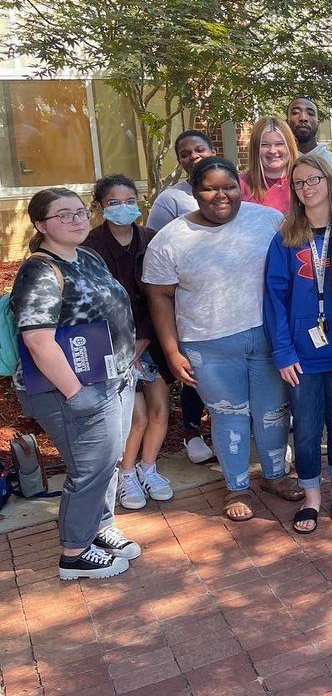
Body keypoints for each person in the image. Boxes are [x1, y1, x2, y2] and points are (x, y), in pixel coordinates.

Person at [144, 156, 300, 522]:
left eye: (228, 186)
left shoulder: (267, 220)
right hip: (208, 345)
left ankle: (275, 475)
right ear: (194, 191)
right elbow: (159, 297)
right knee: (228, 415)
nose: (221, 195)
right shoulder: (171, 239)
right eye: (209, 188)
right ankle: (237, 485)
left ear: (239, 187)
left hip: (267, 338)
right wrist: (171, 350)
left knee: (273, 412)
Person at [11, 188, 139, 580]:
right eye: (63, 215)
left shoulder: (87, 256)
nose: (76, 220)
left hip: (111, 377)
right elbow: (37, 340)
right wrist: (75, 392)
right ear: (40, 225)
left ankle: (99, 527)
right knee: (90, 468)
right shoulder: (39, 270)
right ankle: (75, 552)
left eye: (80, 212)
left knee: (106, 463)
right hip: (71, 389)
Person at [263, 155, 332, 533]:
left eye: (313, 179)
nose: (307, 188)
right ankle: (311, 496)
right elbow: (275, 299)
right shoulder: (285, 239)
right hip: (301, 353)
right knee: (305, 427)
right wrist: (283, 350)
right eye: (298, 183)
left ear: (328, 182)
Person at [84, 176, 174, 512]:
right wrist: (125, 350)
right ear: (100, 207)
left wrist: (145, 341)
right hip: (112, 345)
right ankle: (126, 474)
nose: (124, 208)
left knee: (160, 410)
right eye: (114, 202)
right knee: (134, 418)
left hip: (151, 338)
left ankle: (148, 467)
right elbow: (93, 306)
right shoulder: (90, 248)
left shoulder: (151, 240)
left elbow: (161, 295)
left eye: (130, 200)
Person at [145, 130, 218, 464]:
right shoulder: (171, 200)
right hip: (188, 299)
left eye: (199, 149)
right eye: (185, 153)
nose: (194, 156)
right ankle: (192, 432)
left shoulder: (231, 188)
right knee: (196, 369)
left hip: (228, 299)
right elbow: (156, 249)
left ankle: (224, 430)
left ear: (212, 150)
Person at [286, 97, 332, 204]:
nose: (303, 118)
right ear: (287, 122)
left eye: (310, 113)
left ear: (318, 123)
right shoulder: (279, 164)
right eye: (295, 113)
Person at [146, 129, 216, 229]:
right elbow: (153, 240)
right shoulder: (169, 199)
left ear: (213, 153)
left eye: (200, 150)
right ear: (180, 161)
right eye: (184, 155)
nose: (193, 156)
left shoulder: (234, 191)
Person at [240, 116, 298, 213]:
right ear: (255, 149)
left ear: (290, 146)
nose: (272, 151)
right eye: (264, 145)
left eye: (280, 144)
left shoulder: (303, 183)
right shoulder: (239, 185)